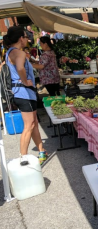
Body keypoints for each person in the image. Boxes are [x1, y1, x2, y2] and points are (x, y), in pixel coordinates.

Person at [3, 26, 47, 165]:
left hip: (21, 92)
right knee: (29, 125)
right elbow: (20, 68)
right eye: (26, 37)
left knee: (33, 123)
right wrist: (25, 81)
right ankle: (23, 158)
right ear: (21, 38)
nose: (27, 39)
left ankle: (41, 150)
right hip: (23, 92)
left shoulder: (9, 52)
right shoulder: (19, 53)